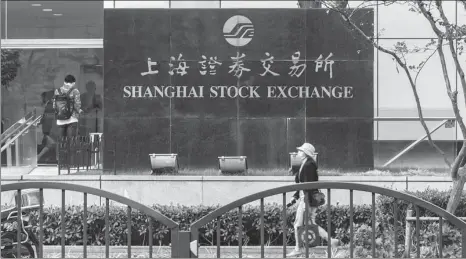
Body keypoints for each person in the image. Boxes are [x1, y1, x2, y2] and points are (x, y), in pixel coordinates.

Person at [286, 143, 340, 257]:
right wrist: (295, 197)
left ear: (305, 153)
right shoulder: (305, 164)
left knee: (299, 224)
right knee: (309, 223)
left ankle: (297, 249)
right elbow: (302, 185)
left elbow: (309, 186)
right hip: (304, 199)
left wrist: (305, 203)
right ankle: (331, 241)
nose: (298, 153)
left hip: (306, 200)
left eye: (300, 151)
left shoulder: (309, 165)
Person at [37, 90, 57, 163]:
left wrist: (40, 122)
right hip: (49, 128)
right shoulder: (49, 104)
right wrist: (40, 122)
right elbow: (46, 116)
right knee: (50, 144)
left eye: (42, 97)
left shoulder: (50, 105)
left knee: (50, 144)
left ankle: (42, 157)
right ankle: (40, 157)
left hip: (49, 128)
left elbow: (46, 116)